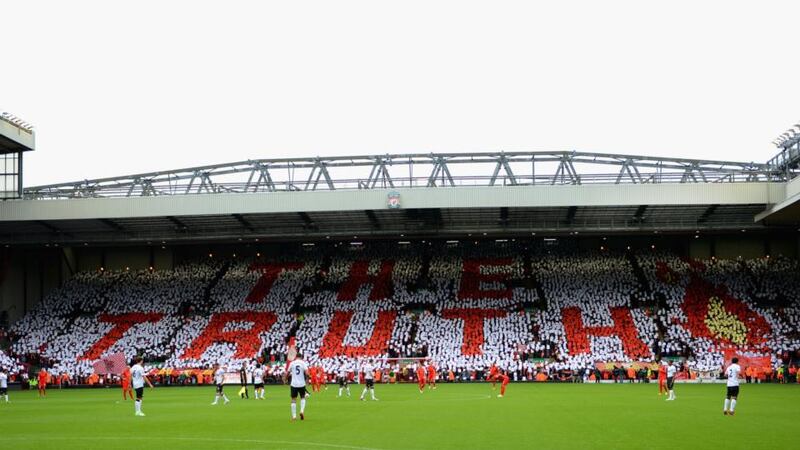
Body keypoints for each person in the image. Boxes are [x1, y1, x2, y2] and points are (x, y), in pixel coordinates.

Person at [284, 352, 309, 420]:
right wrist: (307, 380)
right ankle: (301, 411)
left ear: (296, 357)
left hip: (294, 384)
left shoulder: (292, 363)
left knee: (293, 400)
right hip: (302, 384)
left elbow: (288, 373)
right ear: (301, 357)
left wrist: (285, 380)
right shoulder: (303, 363)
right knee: (303, 398)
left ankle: (294, 416)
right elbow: (307, 373)